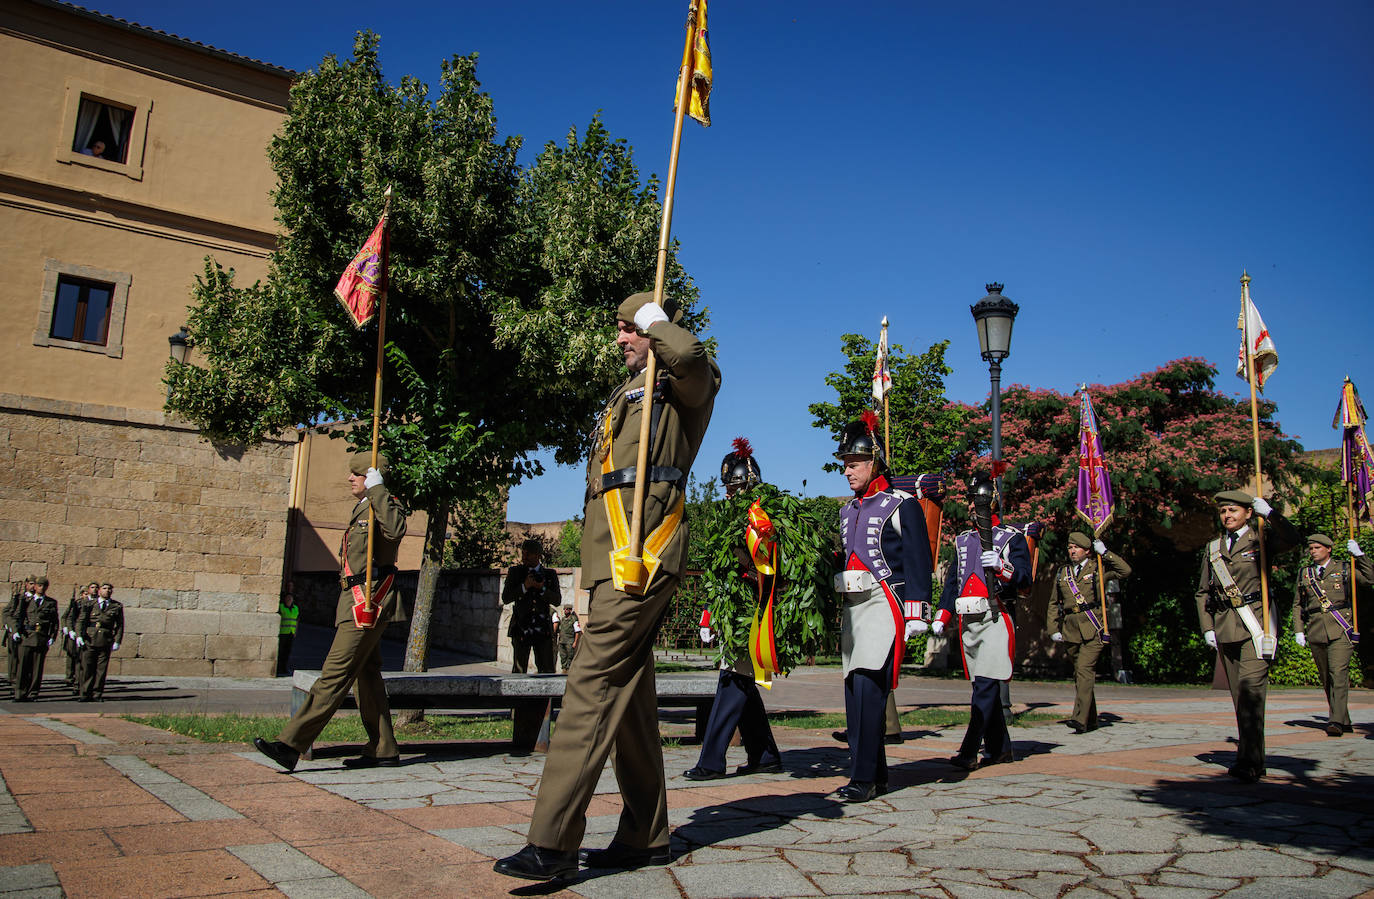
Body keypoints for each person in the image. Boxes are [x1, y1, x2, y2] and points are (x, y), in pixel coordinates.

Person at [494, 291, 718, 881]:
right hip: (615, 562)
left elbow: (692, 360)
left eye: (628, 328)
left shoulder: (683, 384)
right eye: (619, 328)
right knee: (630, 693)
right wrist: (590, 585)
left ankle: (553, 842)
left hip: (647, 555)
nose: (619, 338)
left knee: (588, 681)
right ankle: (646, 834)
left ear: (653, 329)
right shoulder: (624, 396)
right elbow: (603, 497)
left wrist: (657, 323)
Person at [254, 451, 408, 771]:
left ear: (373, 477)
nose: (350, 478)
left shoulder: (384, 502)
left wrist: (378, 489)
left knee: (334, 674)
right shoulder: (364, 506)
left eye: (357, 474)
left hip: (368, 602)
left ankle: (290, 744)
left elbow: (394, 531)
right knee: (366, 676)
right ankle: (383, 748)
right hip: (355, 598)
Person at [830, 413, 934, 803]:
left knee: (868, 687)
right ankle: (878, 774)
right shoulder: (847, 510)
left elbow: (918, 559)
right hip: (853, 607)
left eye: (852, 464)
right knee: (854, 692)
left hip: (883, 604)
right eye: (844, 464)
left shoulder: (901, 504)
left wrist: (918, 610)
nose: (846, 471)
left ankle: (862, 778)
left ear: (874, 462)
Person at [684, 439, 783, 782]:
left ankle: (711, 760)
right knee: (742, 682)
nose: (728, 494)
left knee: (732, 680)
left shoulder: (760, 519)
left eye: (734, 487)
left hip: (752, 613)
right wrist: (708, 615)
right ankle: (765, 754)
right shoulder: (731, 519)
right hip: (733, 611)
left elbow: (766, 570)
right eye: (727, 488)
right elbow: (720, 575)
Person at [1195, 489, 1301, 782]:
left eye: (1233, 511)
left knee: (1252, 694)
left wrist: (1273, 515)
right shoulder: (1213, 548)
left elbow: (1294, 540)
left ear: (1248, 513)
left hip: (1256, 625)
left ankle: (1250, 762)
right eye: (1223, 511)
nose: (1227, 516)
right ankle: (1251, 758)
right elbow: (1202, 591)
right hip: (1225, 626)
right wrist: (1207, 626)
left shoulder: (1261, 539)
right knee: (1240, 698)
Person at [934, 475, 1032, 771]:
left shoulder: (1012, 538)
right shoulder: (963, 540)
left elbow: (1025, 579)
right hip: (968, 621)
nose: (973, 508)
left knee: (986, 686)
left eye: (979, 502)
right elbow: (953, 582)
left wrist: (1003, 568)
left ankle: (968, 750)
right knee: (982, 684)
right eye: (971, 502)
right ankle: (1001, 749)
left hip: (995, 617)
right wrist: (943, 615)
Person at [1047, 532, 1132, 733]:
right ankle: (1091, 720)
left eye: (1076, 547)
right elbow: (1053, 603)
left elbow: (1125, 571)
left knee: (1084, 670)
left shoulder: (1098, 570)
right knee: (1080, 675)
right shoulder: (1063, 573)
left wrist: (1106, 553)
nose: (1072, 551)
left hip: (1093, 628)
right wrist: (1053, 628)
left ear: (1087, 550)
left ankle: (1079, 719)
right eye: (1070, 547)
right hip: (1070, 630)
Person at [1292, 533, 1370, 736]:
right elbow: (1298, 604)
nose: (1313, 551)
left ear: (1329, 549)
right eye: (1311, 548)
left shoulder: (1344, 568)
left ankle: (1334, 720)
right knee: (1327, 678)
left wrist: (1360, 556)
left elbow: (1370, 578)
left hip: (1341, 629)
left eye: (1317, 547)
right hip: (1316, 630)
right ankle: (1343, 720)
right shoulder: (1305, 573)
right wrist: (1299, 630)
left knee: (1338, 673)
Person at [501, 539, 561, 674]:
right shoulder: (516, 572)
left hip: (542, 628)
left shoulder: (549, 574)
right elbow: (506, 598)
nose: (524, 557)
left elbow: (557, 600)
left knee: (546, 669)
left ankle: (546, 695)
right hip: (521, 627)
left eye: (528, 554)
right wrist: (524, 586)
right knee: (519, 669)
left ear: (538, 555)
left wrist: (542, 589)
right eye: (523, 553)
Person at [76, 583, 123, 701]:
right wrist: (79, 636)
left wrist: (117, 640)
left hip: (105, 640)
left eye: (109, 589)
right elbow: (81, 621)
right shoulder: (89, 604)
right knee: (87, 667)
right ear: (99, 591)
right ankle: (85, 693)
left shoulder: (116, 606)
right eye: (104, 588)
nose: (107, 591)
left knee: (101, 669)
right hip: (90, 638)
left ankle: (97, 694)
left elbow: (120, 625)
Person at [14, 577, 59, 701]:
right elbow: (18, 616)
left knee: (37, 668)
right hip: (27, 635)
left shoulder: (51, 603)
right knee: (23, 667)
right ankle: (20, 693)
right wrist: (16, 631)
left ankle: (33, 693)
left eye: (44, 585)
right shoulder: (25, 600)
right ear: (35, 587)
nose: (41, 588)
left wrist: (52, 636)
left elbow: (54, 622)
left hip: (41, 637)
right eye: (39, 585)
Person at [3, 579, 32, 697]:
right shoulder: (20, 598)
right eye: (30, 584)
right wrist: (9, 626)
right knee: (14, 658)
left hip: (27, 633)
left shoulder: (37, 600)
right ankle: (14, 682)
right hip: (16, 631)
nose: (33, 586)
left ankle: (22, 685)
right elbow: (7, 612)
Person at [62, 584, 93, 689]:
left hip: (83, 633)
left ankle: (77, 680)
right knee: (72, 656)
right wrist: (69, 629)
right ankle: (70, 677)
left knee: (80, 658)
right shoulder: (77, 604)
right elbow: (67, 617)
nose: (86, 596)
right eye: (85, 594)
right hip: (74, 632)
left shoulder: (92, 604)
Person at [277, 581, 299, 677]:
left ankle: (284, 668)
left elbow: (297, 620)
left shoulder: (295, 608)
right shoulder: (282, 607)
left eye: (290, 599)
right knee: (281, 652)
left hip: (290, 633)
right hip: (283, 633)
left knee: (287, 652)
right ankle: (279, 668)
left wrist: (295, 632)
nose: (289, 600)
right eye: (287, 599)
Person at [555, 602, 580, 672]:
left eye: (567, 609)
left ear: (570, 610)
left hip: (569, 641)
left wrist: (575, 642)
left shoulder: (573, 619)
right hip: (562, 641)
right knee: (563, 656)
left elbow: (577, 631)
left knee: (570, 657)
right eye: (564, 609)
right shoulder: (563, 619)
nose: (565, 611)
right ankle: (564, 669)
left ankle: (569, 670)